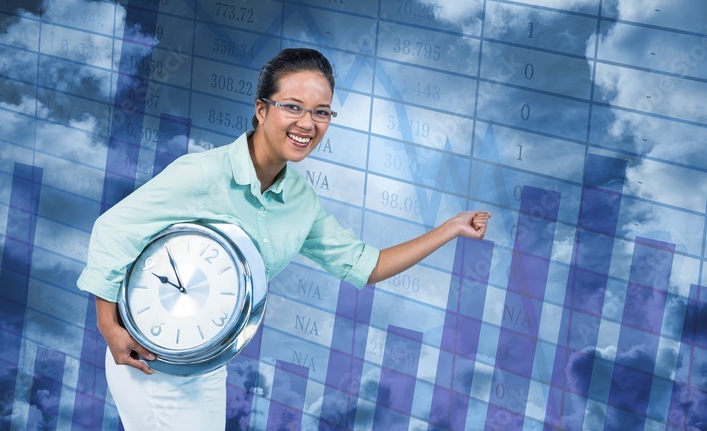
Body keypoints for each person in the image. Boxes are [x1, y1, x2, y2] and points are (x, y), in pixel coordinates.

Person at [76, 48, 491, 429]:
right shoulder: (203, 174)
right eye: (292, 107)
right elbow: (115, 230)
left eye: (322, 112)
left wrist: (451, 228)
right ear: (261, 109)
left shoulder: (301, 202)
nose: (307, 124)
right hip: (148, 358)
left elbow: (367, 264)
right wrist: (107, 324)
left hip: (206, 363)